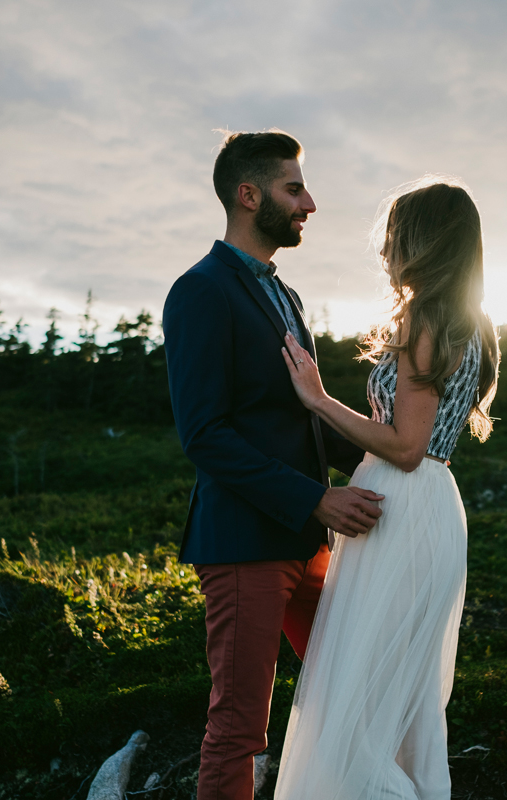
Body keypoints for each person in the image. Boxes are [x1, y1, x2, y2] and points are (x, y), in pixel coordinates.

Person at [161, 129, 385, 800]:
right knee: (238, 728)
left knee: (351, 693)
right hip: (243, 544)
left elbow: (301, 416)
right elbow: (205, 435)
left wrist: (399, 453)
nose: (309, 203)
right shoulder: (201, 291)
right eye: (295, 189)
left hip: (306, 542)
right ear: (247, 194)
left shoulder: (284, 298)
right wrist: (315, 500)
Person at [273, 178, 501, 800]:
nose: (386, 248)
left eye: (396, 234)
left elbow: (403, 446)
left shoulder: (430, 317)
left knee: (360, 702)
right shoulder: (468, 319)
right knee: (404, 700)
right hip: (426, 507)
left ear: (424, 240)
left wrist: (317, 400)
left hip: (403, 507)